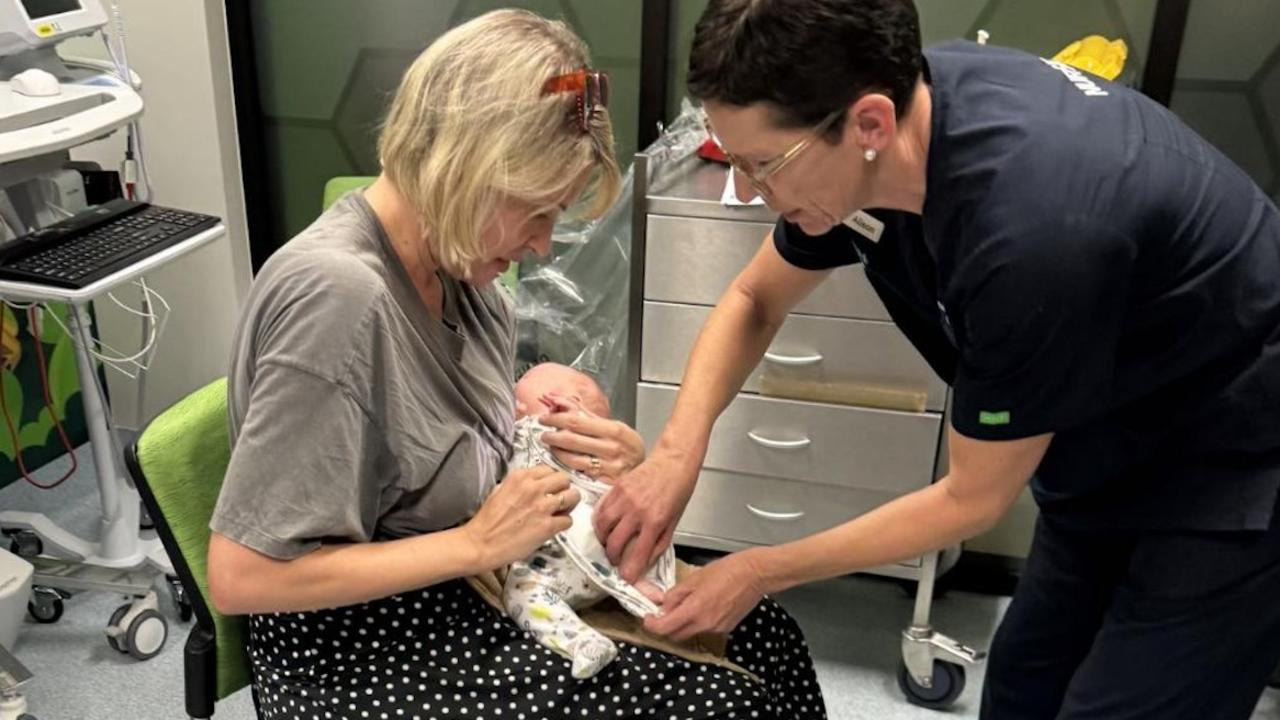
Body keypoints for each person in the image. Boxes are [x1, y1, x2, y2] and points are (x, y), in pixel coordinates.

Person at [600, 1, 1280, 718]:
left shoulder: (1031, 234)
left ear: (868, 124)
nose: (755, 193)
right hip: (1103, 434)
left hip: (1237, 462)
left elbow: (972, 498)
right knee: (1023, 686)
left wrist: (761, 570)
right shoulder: (892, 127)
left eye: (765, 166)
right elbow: (754, 300)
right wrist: (677, 452)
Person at [205, 10, 825, 719]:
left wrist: (594, 458)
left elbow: (446, 450)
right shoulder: (339, 299)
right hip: (358, 647)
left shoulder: (465, 284)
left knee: (763, 631)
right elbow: (241, 575)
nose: (541, 246)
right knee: (716, 704)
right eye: (535, 212)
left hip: (469, 580)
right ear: (463, 164)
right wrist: (475, 543)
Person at [505, 362, 674, 680]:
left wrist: (567, 417)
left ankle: (641, 585)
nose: (517, 384)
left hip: (597, 545)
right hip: (548, 568)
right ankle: (583, 642)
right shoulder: (511, 434)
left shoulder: (564, 435)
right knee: (522, 591)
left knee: (634, 522)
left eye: (527, 379)